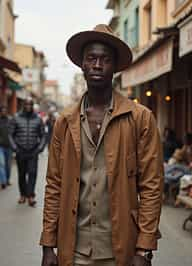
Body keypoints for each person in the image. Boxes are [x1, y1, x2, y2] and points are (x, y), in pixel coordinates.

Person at [40, 25, 163, 266]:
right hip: (73, 248)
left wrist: (144, 248)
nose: (97, 65)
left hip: (121, 249)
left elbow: (151, 186)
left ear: (114, 67)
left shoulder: (140, 118)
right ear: (82, 65)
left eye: (105, 59)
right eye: (91, 58)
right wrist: (48, 244)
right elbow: (54, 185)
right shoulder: (64, 122)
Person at [9, 97, 46, 206]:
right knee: (21, 174)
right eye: (26, 104)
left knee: (32, 173)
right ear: (23, 106)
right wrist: (14, 148)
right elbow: (10, 134)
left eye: (30, 105)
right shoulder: (16, 118)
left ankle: (30, 196)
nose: (28, 107)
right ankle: (23, 195)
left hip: (33, 151)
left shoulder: (38, 119)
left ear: (32, 106)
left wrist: (40, 148)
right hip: (20, 151)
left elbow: (43, 135)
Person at [0, 106, 12, 188]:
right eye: (2, 111)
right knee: (1, 164)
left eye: (5, 110)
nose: (4, 112)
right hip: (1, 146)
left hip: (9, 146)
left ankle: (7, 180)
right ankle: (3, 182)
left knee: (8, 165)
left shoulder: (10, 120)